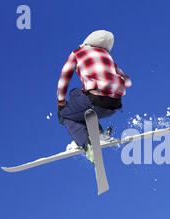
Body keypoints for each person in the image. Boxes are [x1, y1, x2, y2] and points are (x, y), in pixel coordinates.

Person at [56, 30, 132, 162]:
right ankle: (99, 135)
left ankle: (86, 145)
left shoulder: (78, 52)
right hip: (114, 105)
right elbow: (128, 82)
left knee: (66, 115)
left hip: (95, 100)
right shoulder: (107, 56)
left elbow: (64, 78)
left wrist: (61, 103)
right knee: (78, 99)